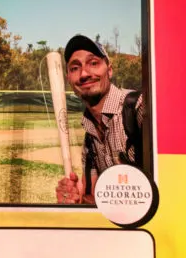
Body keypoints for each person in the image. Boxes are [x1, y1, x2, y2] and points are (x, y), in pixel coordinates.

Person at [56, 35, 143, 204]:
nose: (84, 74)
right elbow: (93, 199)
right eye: (75, 68)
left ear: (109, 70)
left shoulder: (138, 107)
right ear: (69, 79)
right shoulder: (90, 137)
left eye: (93, 63)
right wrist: (76, 199)